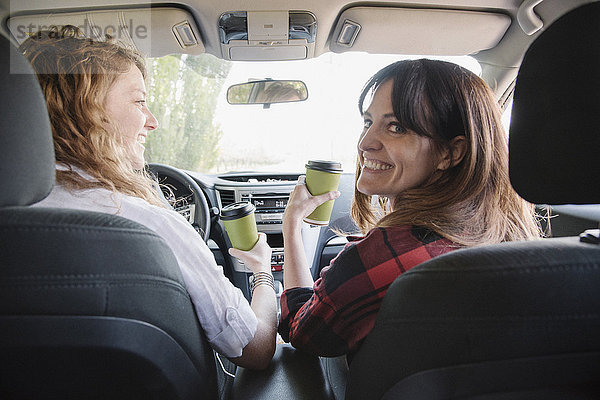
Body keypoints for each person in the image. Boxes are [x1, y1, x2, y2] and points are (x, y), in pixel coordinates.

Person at [21, 26, 277, 369]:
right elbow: (254, 349)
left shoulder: (14, 213)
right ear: (86, 109)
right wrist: (262, 273)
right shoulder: (145, 221)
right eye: (140, 101)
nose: (152, 121)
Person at [279, 59, 542, 358]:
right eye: (368, 122)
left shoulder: (378, 258)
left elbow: (302, 332)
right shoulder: (515, 242)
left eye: (396, 127)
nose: (365, 143)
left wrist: (291, 228)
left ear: (451, 153)